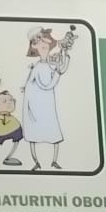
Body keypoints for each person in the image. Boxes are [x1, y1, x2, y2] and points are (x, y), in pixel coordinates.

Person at [22, 26, 75, 171]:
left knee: (52, 127)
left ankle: (53, 161)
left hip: (45, 102)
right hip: (35, 102)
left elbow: (62, 67)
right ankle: (36, 161)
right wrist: (57, 72)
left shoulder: (49, 63)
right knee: (35, 130)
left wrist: (65, 51)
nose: (44, 45)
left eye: (43, 39)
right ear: (35, 46)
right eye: (38, 42)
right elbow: (47, 84)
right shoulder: (39, 67)